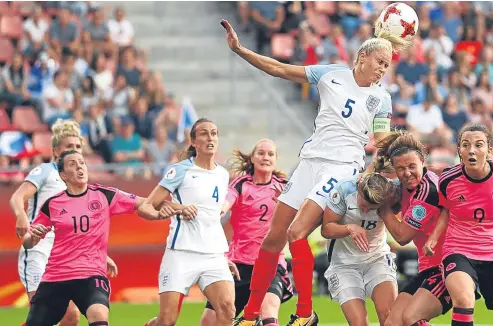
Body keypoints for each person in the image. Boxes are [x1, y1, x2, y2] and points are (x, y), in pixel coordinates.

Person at [222, 14, 412, 325]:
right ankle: (250, 315)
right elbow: (281, 69)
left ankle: (305, 314)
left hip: (342, 168)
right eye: (379, 61)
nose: (381, 69)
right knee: (273, 239)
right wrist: (241, 50)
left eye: (386, 66)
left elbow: (380, 139)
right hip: (310, 161)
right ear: (363, 56)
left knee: (297, 232)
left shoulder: (381, 99)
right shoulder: (331, 75)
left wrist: (403, 139)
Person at [22, 150, 175, 326]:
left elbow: (146, 202)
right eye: (73, 164)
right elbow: (28, 243)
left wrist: (178, 207)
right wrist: (32, 236)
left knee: (98, 315)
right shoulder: (52, 204)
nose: (79, 167)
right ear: (63, 175)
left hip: (91, 274)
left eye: (82, 163)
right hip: (56, 276)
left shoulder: (105, 195)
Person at [9, 119, 117, 326]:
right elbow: (17, 196)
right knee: (41, 317)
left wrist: (101, 254)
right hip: (38, 251)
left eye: (78, 146)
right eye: (69, 146)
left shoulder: (77, 181)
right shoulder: (45, 171)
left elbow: (78, 227)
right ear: (56, 150)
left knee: (71, 316)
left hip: (65, 255)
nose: (75, 150)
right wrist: (22, 216)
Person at [424, 124, 493, 326]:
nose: (471, 150)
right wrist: (434, 237)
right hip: (459, 250)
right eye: (465, 145)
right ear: (459, 151)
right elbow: (446, 209)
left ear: (490, 150)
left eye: (478, 145)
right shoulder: (447, 179)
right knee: (463, 300)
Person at [143, 118, 236, 326]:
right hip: (181, 253)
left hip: (213, 255)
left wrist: (223, 257)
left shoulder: (222, 174)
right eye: (204, 133)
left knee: (227, 309)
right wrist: (177, 208)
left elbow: (210, 217)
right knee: (167, 321)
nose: (210, 137)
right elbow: (148, 206)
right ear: (193, 141)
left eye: (214, 133)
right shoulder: (180, 170)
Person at [200, 139, 294, 326]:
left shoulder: (285, 187)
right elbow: (226, 202)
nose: (265, 157)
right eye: (261, 153)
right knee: (208, 323)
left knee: (269, 316)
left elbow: (303, 213)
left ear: (275, 160)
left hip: (271, 264)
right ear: (252, 158)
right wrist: (216, 211)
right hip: (238, 266)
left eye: (270, 154)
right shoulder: (241, 184)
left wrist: (288, 207)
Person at [369, 131, 452, 326]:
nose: (407, 173)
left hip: (446, 267)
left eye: (412, 166)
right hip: (428, 268)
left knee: (411, 319)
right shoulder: (406, 186)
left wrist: (383, 206)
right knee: (391, 324)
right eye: (400, 168)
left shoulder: (427, 190)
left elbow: (402, 236)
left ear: (422, 161)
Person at [321, 172, 400, 326]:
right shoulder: (344, 190)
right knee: (358, 323)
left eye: (371, 209)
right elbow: (326, 229)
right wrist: (349, 228)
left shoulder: (393, 195)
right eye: (362, 205)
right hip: (344, 264)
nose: (365, 211)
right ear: (358, 189)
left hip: (377, 259)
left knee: (389, 316)